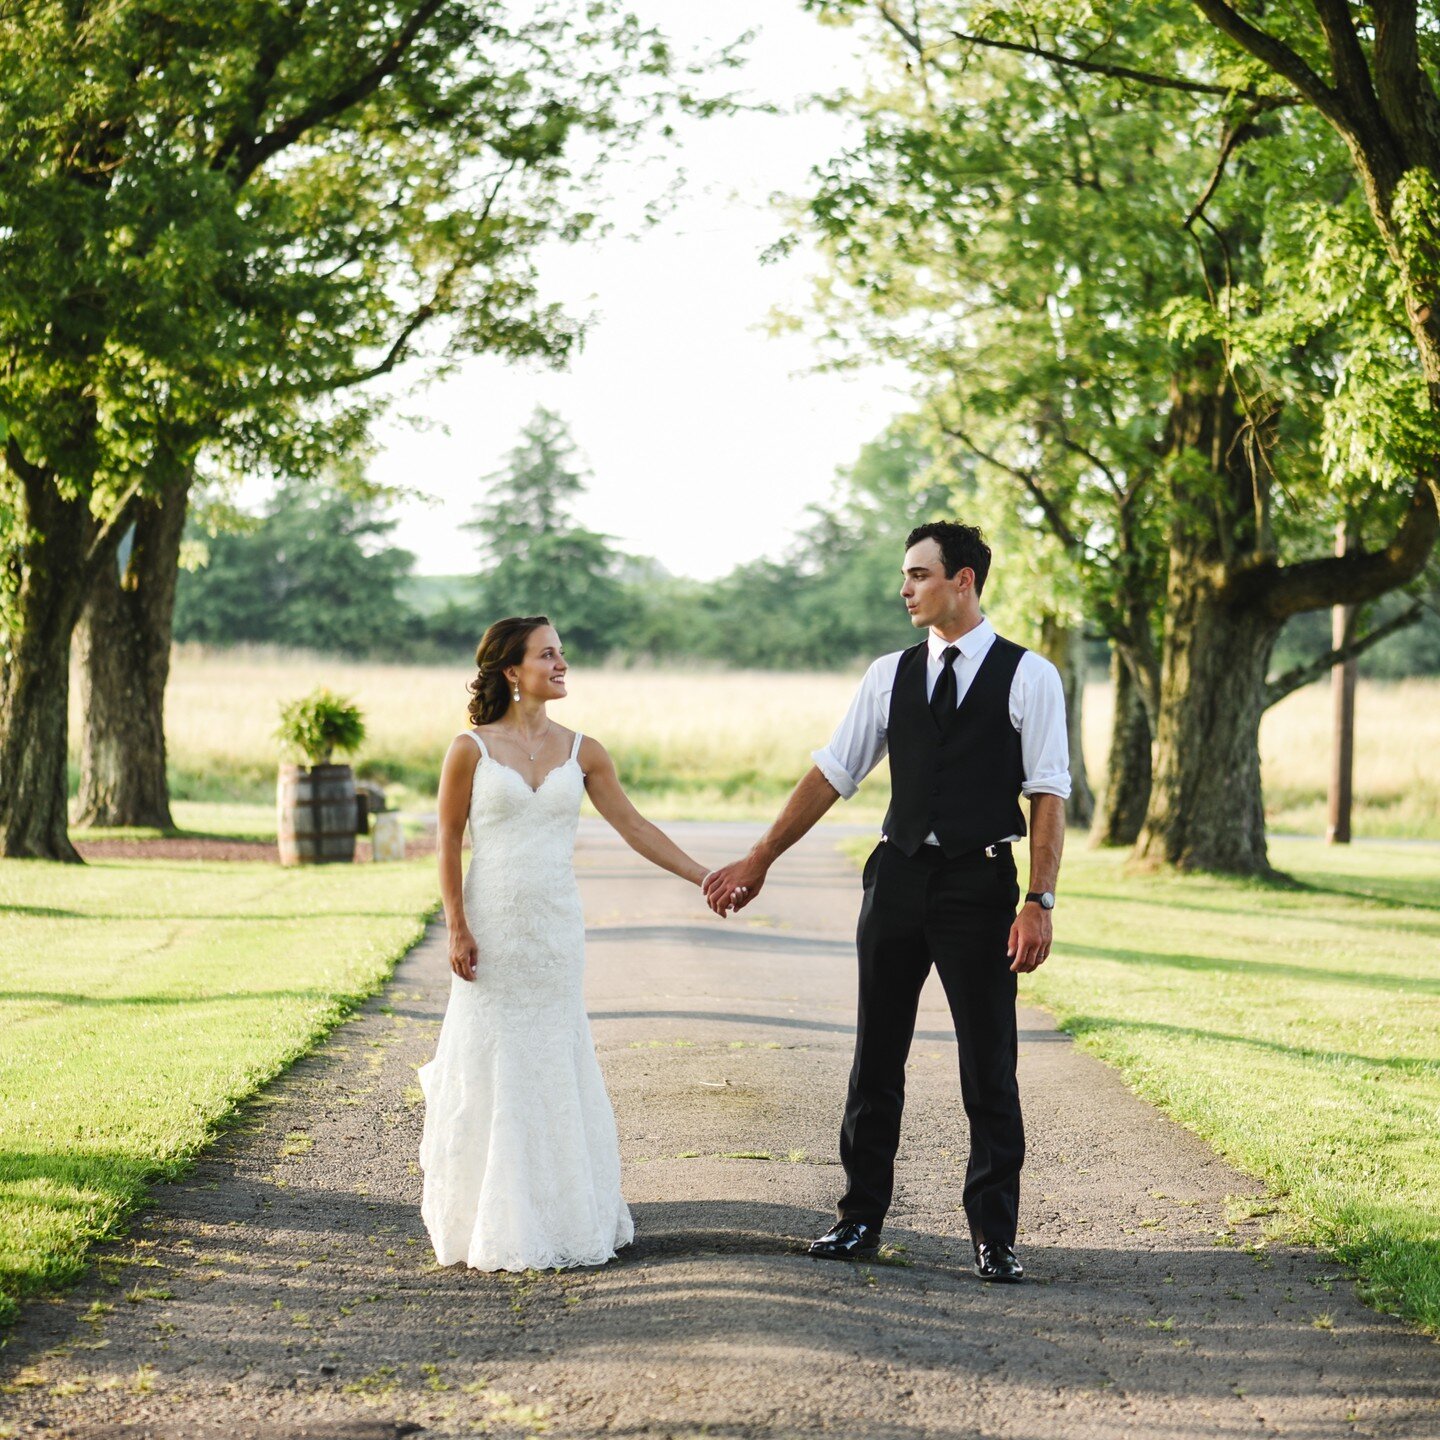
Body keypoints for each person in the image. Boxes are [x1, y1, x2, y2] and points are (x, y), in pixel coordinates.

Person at [703, 522, 1069, 1283]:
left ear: (962, 581)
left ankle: (993, 1237)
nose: (905, 589)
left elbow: (1048, 795)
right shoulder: (887, 675)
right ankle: (859, 1218)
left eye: (918, 575)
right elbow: (835, 772)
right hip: (898, 878)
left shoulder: (1030, 675)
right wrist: (760, 857)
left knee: (988, 1066)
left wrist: (1038, 900)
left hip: (980, 885)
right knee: (877, 1056)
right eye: (906, 576)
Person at [418, 614, 711, 1271]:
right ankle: (488, 1217)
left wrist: (704, 876)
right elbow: (447, 841)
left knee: (553, 1060)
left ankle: (566, 1214)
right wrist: (457, 927)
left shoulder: (586, 752)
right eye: (546, 655)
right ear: (510, 670)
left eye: (560, 653)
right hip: (491, 932)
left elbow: (635, 826)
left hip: (554, 934)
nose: (561, 663)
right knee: (492, 1059)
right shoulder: (469, 750)